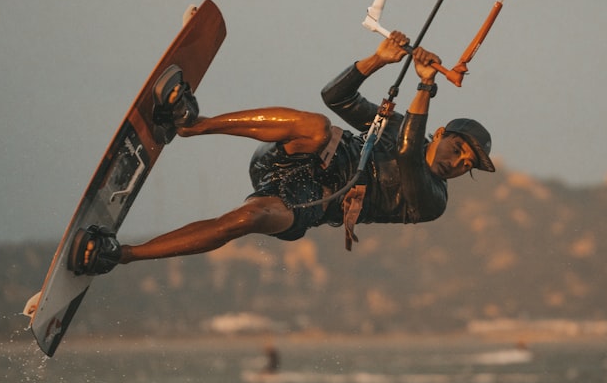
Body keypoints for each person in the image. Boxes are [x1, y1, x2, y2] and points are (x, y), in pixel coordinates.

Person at [69, 30, 495, 276]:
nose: (459, 163)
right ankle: (189, 124)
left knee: (246, 219)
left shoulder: (434, 201)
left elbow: (405, 157)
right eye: (460, 149)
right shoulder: (403, 127)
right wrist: (377, 60)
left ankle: (119, 254)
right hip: (292, 156)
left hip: (313, 200)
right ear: (440, 133)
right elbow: (336, 97)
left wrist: (424, 85)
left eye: (467, 165)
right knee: (317, 125)